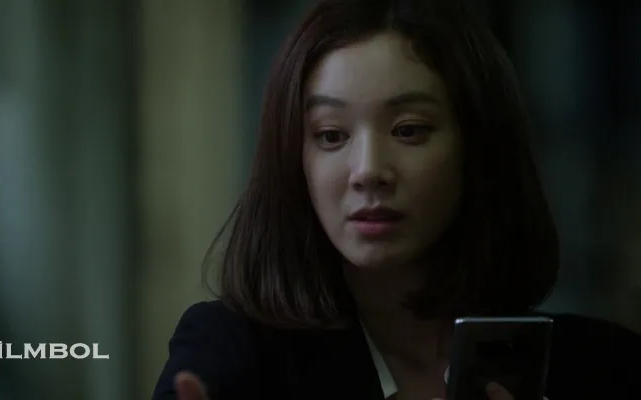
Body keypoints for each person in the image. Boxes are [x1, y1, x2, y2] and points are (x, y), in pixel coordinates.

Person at [152, 0, 641, 399]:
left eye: (409, 130)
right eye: (331, 135)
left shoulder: (602, 366)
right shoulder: (233, 358)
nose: (368, 170)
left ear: (478, 147)